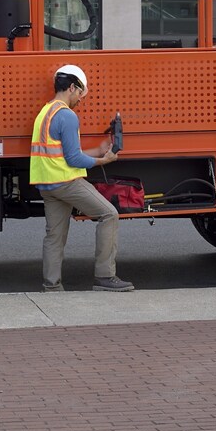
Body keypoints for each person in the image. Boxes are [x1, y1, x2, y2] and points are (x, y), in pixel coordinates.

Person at [29, 64, 133, 292]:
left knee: (54, 236)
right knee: (109, 215)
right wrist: (102, 161)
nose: (80, 99)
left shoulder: (45, 112)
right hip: (67, 182)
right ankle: (105, 277)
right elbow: (74, 159)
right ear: (72, 88)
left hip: (48, 184)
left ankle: (52, 286)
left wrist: (99, 150)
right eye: (80, 93)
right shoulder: (67, 116)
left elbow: (64, 153)